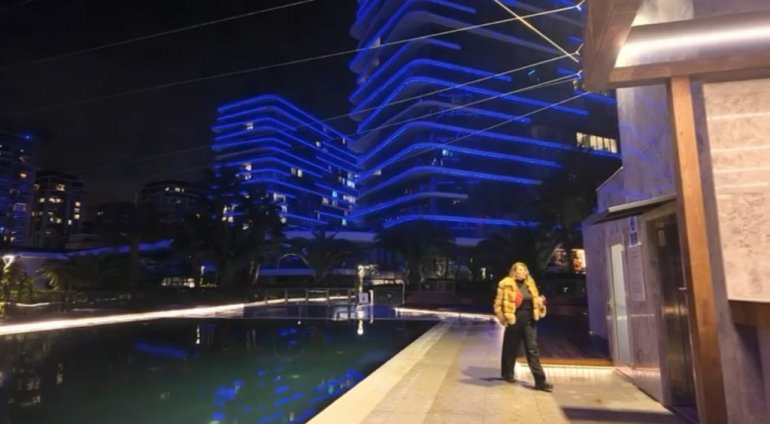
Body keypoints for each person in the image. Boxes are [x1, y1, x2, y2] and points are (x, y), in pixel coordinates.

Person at [493, 261, 553, 392]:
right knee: (510, 348)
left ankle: (540, 381)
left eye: (524, 270)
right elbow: (497, 305)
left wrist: (540, 304)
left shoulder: (530, 283)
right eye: (519, 270)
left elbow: (535, 301)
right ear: (514, 272)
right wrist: (505, 320)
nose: (522, 272)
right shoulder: (506, 284)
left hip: (529, 320)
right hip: (514, 319)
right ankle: (508, 374)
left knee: (532, 349)